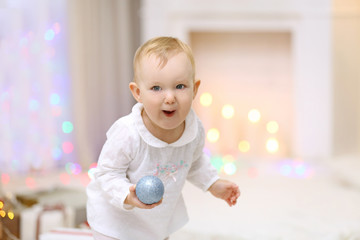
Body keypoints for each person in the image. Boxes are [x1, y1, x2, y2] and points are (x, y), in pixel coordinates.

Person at [87, 36, 240, 240]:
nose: (170, 98)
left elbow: (194, 161)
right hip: (116, 220)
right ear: (138, 92)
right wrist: (127, 194)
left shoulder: (194, 130)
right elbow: (106, 173)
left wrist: (213, 183)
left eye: (180, 86)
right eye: (157, 88)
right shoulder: (128, 133)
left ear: (195, 89)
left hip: (157, 220)